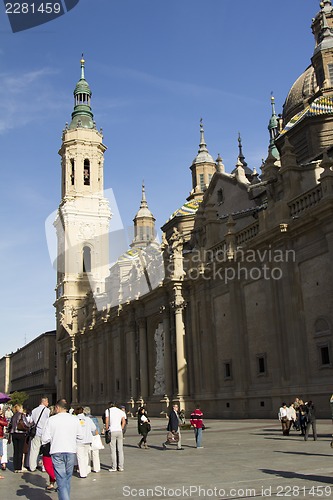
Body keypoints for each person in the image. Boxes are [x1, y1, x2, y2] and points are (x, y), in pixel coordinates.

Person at [42, 399, 84, 500]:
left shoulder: (51, 420)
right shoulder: (74, 419)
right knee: (67, 479)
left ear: (57, 407)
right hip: (70, 451)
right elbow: (81, 436)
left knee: (61, 480)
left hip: (57, 451)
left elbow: (44, 438)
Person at [28, 396, 50, 472]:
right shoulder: (47, 411)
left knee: (34, 450)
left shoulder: (34, 410)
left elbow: (30, 421)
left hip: (36, 433)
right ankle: (44, 467)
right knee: (45, 451)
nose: (48, 403)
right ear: (44, 402)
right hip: (45, 433)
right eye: (47, 402)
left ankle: (32, 466)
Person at [74, 406, 96, 478]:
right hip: (88, 440)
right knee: (86, 455)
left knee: (80, 457)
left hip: (79, 441)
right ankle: (86, 470)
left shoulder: (75, 419)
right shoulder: (88, 419)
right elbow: (94, 428)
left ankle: (83, 473)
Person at [104, 402, 126, 472]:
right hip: (119, 431)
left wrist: (107, 429)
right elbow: (124, 421)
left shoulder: (108, 411)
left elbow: (107, 421)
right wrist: (121, 428)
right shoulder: (120, 411)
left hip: (112, 431)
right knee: (120, 450)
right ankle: (121, 466)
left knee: (113, 450)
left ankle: (114, 467)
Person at [9, 404, 30, 472]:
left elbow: (10, 424)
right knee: (20, 450)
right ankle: (19, 467)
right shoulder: (22, 415)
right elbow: (26, 423)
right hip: (21, 433)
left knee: (16, 450)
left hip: (14, 434)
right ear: (20, 408)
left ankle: (15, 467)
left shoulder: (13, 415)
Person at [83, 406, 101, 473]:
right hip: (95, 436)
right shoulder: (94, 418)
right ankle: (97, 468)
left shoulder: (85, 419)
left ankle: (88, 468)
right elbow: (97, 428)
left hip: (88, 437)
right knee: (95, 453)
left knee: (87, 453)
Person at [0, 409, 8, 478]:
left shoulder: (2, 417)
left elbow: (6, 423)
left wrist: (2, 417)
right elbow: (4, 423)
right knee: (0, 454)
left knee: (1, 454)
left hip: (1, 436)